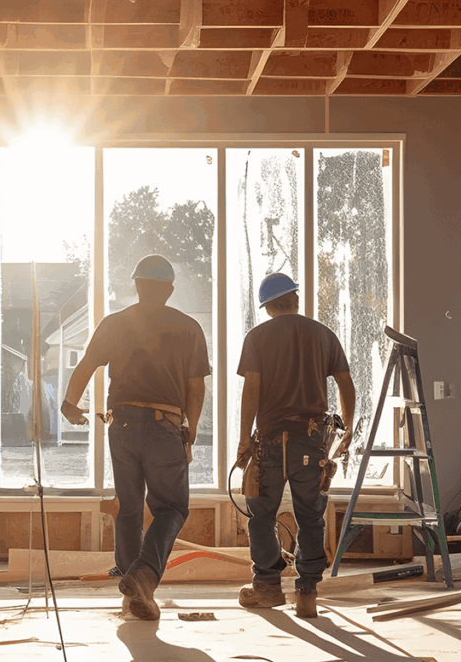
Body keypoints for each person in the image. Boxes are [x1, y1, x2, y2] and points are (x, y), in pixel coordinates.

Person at [60, 254, 210, 620]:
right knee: (172, 507)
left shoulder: (115, 324)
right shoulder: (188, 328)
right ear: (170, 289)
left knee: (129, 508)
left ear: (137, 285)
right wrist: (188, 432)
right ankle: (143, 577)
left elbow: (86, 365)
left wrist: (69, 405)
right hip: (164, 426)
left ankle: (132, 593)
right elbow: (196, 388)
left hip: (122, 424)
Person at [235, 272, 355, 618]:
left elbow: (251, 390)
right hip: (311, 440)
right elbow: (346, 385)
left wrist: (245, 440)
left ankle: (268, 587)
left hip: (271, 441)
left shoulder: (257, 337)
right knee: (310, 516)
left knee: (261, 516)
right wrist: (346, 430)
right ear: (295, 300)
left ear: (269, 306)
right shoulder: (323, 335)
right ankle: (307, 594)